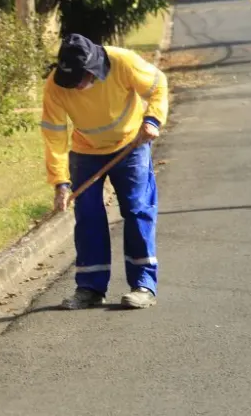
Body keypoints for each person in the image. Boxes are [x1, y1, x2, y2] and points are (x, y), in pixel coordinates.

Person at [41, 33, 168, 310]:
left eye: (79, 80)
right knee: (88, 216)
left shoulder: (123, 62)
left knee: (137, 211)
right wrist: (60, 183)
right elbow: (55, 136)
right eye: (69, 81)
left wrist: (152, 119)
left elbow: (158, 86)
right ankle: (90, 288)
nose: (74, 88)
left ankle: (143, 285)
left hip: (130, 145)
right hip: (86, 151)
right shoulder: (55, 86)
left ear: (92, 69)